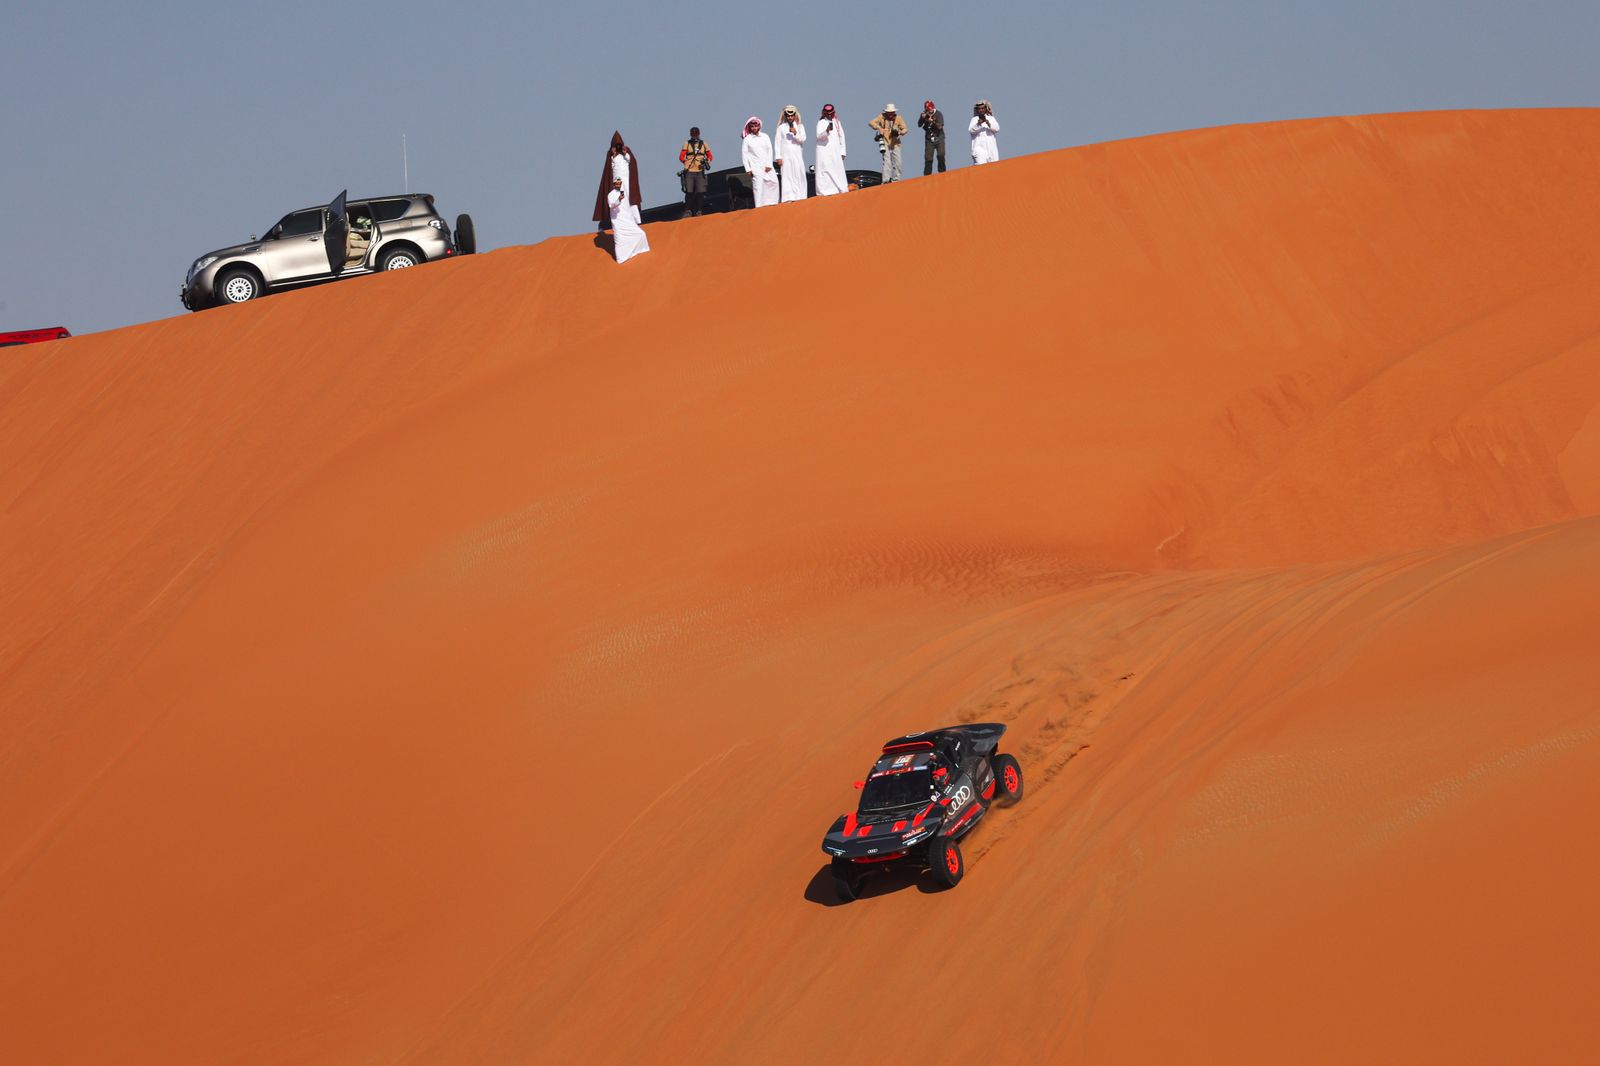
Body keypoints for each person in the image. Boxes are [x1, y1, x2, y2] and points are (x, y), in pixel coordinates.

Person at [594, 131, 643, 229]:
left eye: (619, 145)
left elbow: (632, 162)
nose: (618, 147)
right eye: (616, 146)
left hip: (627, 181)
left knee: (629, 199)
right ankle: (619, 221)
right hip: (617, 182)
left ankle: (633, 220)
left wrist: (625, 154)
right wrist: (613, 155)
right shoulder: (611, 155)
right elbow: (609, 169)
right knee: (618, 199)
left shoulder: (626, 152)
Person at [607, 177, 650, 264]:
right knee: (620, 240)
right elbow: (611, 205)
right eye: (617, 183)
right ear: (614, 184)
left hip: (627, 220)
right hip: (618, 221)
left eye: (620, 183)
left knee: (641, 234)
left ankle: (638, 250)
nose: (618, 185)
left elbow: (631, 205)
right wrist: (619, 199)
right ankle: (621, 258)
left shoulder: (624, 192)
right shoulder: (611, 194)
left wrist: (636, 218)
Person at [741, 116, 779, 208]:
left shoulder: (765, 136)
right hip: (755, 166)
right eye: (752, 127)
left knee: (774, 182)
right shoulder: (747, 139)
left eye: (755, 126)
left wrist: (769, 164)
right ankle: (759, 207)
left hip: (767, 165)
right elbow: (744, 155)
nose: (754, 128)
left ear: (759, 126)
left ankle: (772, 203)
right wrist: (748, 169)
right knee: (758, 186)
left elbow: (770, 150)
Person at [774, 105, 809, 203]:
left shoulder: (800, 127)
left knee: (799, 174)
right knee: (787, 176)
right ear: (785, 116)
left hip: (797, 154)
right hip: (785, 156)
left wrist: (795, 133)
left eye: (791, 116)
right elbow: (777, 143)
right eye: (788, 116)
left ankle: (800, 197)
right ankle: (788, 198)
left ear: (794, 115)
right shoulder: (781, 128)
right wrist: (778, 157)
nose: (790, 118)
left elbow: (803, 139)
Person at [868, 103, 908, 183]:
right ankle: (885, 181)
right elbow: (871, 123)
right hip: (885, 142)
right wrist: (879, 128)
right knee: (887, 162)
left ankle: (896, 180)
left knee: (898, 163)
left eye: (892, 112)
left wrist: (900, 132)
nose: (890, 114)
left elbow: (905, 128)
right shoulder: (881, 117)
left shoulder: (898, 118)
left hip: (895, 143)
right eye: (889, 112)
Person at [814, 104, 848, 196]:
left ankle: (839, 189)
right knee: (824, 170)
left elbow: (842, 137)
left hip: (836, 151)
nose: (829, 115)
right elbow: (818, 137)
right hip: (824, 151)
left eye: (831, 113)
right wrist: (827, 131)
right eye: (827, 113)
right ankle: (825, 191)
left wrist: (843, 151)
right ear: (824, 113)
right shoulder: (821, 123)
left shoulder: (837, 122)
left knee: (837, 169)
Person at [679, 127, 714, 216]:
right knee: (689, 192)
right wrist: (686, 162)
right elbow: (681, 157)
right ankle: (688, 210)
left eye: (696, 134)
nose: (695, 136)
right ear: (691, 134)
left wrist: (706, 162)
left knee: (700, 192)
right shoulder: (686, 143)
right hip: (690, 171)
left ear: (699, 134)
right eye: (693, 134)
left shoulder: (704, 143)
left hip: (700, 170)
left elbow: (710, 156)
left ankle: (699, 210)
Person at [917, 99, 946, 175]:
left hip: (939, 138)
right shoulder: (925, 115)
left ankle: (942, 173)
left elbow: (940, 127)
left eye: (930, 110)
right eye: (927, 110)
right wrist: (922, 118)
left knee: (941, 155)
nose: (929, 112)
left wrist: (932, 121)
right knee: (928, 158)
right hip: (929, 139)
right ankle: (927, 175)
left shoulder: (938, 114)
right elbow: (919, 125)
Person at [969, 101, 1000, 165]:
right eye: (979, 109)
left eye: (982, 108)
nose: (981, 110)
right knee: (981, 168)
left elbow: (997, 129)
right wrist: (978, 124)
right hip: (979, 148)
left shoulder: (991, 118)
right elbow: (971, 131)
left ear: (985, 109)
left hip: (991, 148)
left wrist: (989, 124)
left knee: (994, 167)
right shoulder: (974, 119)